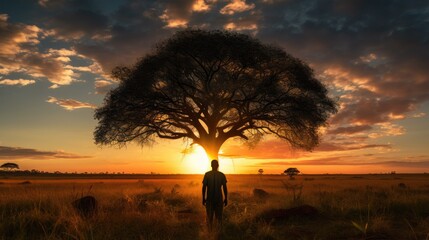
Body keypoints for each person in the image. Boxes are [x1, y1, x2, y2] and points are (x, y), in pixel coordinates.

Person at [202, 159, 228, 232]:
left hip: (209, 199)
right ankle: (218, 233)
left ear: (211, 165)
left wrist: (203, 198)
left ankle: (209, 233)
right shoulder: (221, 175)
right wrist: (226, 198)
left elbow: (204, 187)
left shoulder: (207, 174)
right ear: (218, 165)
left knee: (209, 218)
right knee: (219, 218)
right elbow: (225, 188)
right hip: (218, 199)